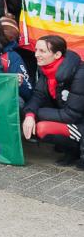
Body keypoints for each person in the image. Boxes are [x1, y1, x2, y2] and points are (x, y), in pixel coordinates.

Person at [22, 35, 84, 168]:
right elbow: (38, 96)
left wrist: (37, 114)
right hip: (72, 119)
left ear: (57, 55)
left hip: (79, 121)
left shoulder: (80, 74)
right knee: (31, 119)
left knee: (41, 127)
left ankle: (78, 151)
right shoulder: (46, 68)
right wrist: (29, 115)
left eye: (42, 51)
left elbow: (72, 115)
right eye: (36, 50)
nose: (36, 54)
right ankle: (71, 152)